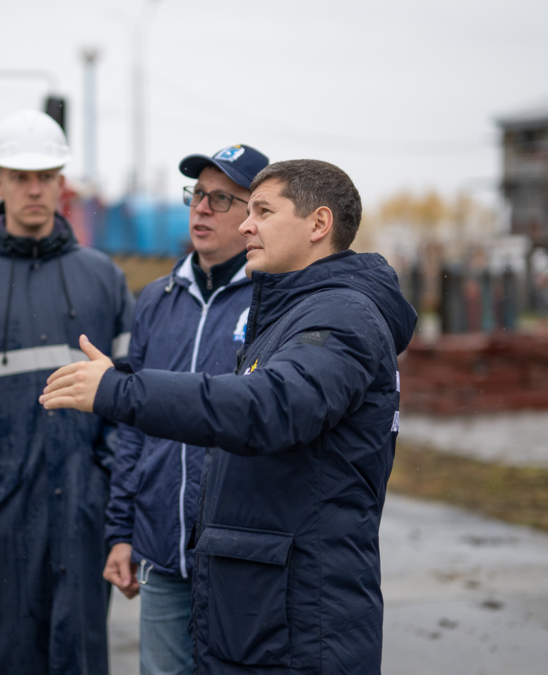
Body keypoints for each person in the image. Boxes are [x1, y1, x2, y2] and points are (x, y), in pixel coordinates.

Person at [42, 159, 418, 675]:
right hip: (266, 610)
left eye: (262, 211)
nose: (245, 225)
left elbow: (268, 408)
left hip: (299, 623)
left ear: (318, 224)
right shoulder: (294, 313)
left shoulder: (340, 316)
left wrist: (120, 391)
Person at [0, 110, 134, 675]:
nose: (34, 189)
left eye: (45, 176)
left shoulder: (104, 280)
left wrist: (112, 500)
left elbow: (129, 409)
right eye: (20, 176)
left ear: (62, 181)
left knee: (78, 658)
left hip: (83, 518)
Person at [103, 144, 269, 675]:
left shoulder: (272, 301)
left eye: (221, 199)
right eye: (197, 195)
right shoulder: (156, 298)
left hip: (238, 559)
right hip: (161, 551)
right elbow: (133, 427)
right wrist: (121, 532)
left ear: (255, 214)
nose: (201, 209)